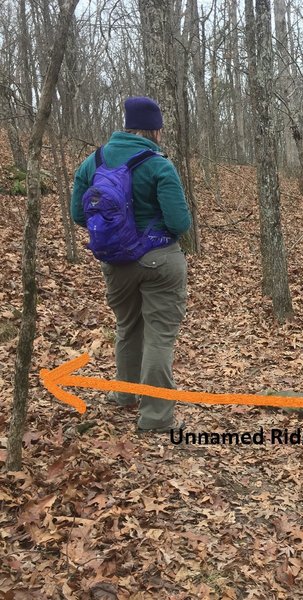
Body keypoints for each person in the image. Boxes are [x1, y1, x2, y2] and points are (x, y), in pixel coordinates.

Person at [71, 96, 191, 433]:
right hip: (159, 260)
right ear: (154, 130)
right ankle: (155, 416)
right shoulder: (158, 165)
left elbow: (79, 214)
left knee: (127, 326)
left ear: (126, 126)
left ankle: (124, 393)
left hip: (116, 263)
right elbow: (179, 222)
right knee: (159, 337)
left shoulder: (92, 162)